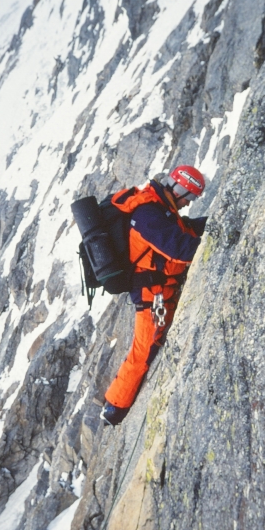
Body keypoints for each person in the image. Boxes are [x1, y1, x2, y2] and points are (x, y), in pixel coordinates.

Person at [94, 165, 207, 426]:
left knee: (148, 346)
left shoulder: (160, 208)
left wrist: (209, 225)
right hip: (151, 293)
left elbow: (184, 228)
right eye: (188, 197)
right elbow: (180, 249)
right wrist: (215, 240)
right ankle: (114, 406)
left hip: (162, 288)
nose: (188, 204)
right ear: (178, 188)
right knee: (144, 349)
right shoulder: (148, 215)